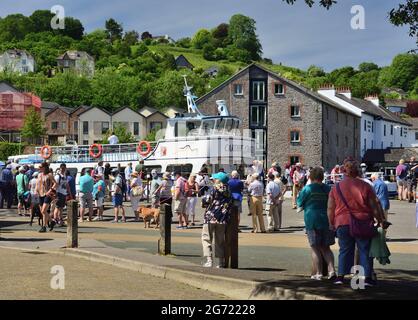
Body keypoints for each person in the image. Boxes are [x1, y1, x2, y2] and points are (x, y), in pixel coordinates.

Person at [327, 157, 387, 286]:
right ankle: (367, 278)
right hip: (363, 221)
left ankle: (341, 276)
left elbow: (330, 207)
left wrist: (331, 223)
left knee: (345, 250)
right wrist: (381, 220)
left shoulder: (336, 188)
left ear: (344, 171)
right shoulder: (365, 186)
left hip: (342, 221)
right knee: (365, 249)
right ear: (358, 171)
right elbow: (374, 205)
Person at [297, 167, 336, 281]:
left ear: (311, 177)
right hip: (327, 220)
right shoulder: (328, 188)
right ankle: (332, 271)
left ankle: (318, 273)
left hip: (312, 220)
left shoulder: (307, 189)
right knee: (326, 248)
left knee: (315, 248)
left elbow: (299, 202)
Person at [201, 171, 232, 268]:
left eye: (215, 178)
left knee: (206, 238)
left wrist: (204, 202)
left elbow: (206, 200)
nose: (213, 180)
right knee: (220, 240)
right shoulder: (229, 191)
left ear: (218, 180)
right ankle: (220, 262)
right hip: (222, 218)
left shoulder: (213, 189)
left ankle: (209, 261)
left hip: (211, 216)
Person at [36, 162, 57, 232]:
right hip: (40, 194)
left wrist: (50, 190)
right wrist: (36, 190)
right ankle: (52, 221)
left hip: (47, 194)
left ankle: (44, 226)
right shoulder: (39, 175)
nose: (40, 168)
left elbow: (56, 183)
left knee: (43, 211)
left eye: (41, 167)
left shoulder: (49, 175)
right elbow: (38, 183)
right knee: (43, 212)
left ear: (44, 167)